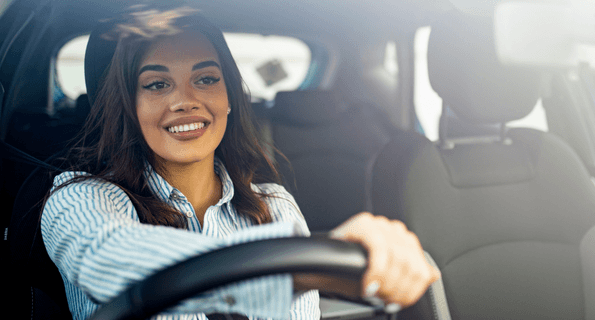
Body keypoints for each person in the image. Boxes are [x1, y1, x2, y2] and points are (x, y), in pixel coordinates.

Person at [41, 7, 440, 320]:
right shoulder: (78, 198)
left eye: (206, 79)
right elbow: (105, 259)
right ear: (128, 105)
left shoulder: (274, 206)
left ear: (230, 97)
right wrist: (300, 267)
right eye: (157, 84)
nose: (185, 101)